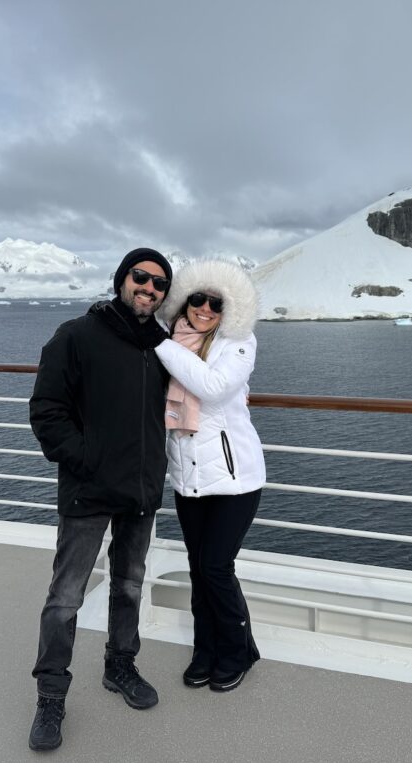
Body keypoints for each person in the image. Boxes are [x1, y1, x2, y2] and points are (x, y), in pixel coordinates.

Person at [26, 247, 172, 751]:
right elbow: (47, 409)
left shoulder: (162, 346)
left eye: (159, 284)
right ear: (122, 279)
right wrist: (85, 458)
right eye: (141, 277)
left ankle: (120, 666)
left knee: (129, 585)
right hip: (88, 488)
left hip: (140, 489)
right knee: (66, 596)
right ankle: (50, 695)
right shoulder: (77, 335)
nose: (149, 288)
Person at [153, 259, 265, 692]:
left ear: (227, 309)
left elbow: (213, 388)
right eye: (197, 299)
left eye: (215, 303)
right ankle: (205, 650)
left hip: (236, 479)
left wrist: (162, 346)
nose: (204, 308)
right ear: (184, 301)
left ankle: (238, 651)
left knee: (216, 567)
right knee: (198, 569)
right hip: (188, 477)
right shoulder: (172, 337)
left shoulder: (238, 343)